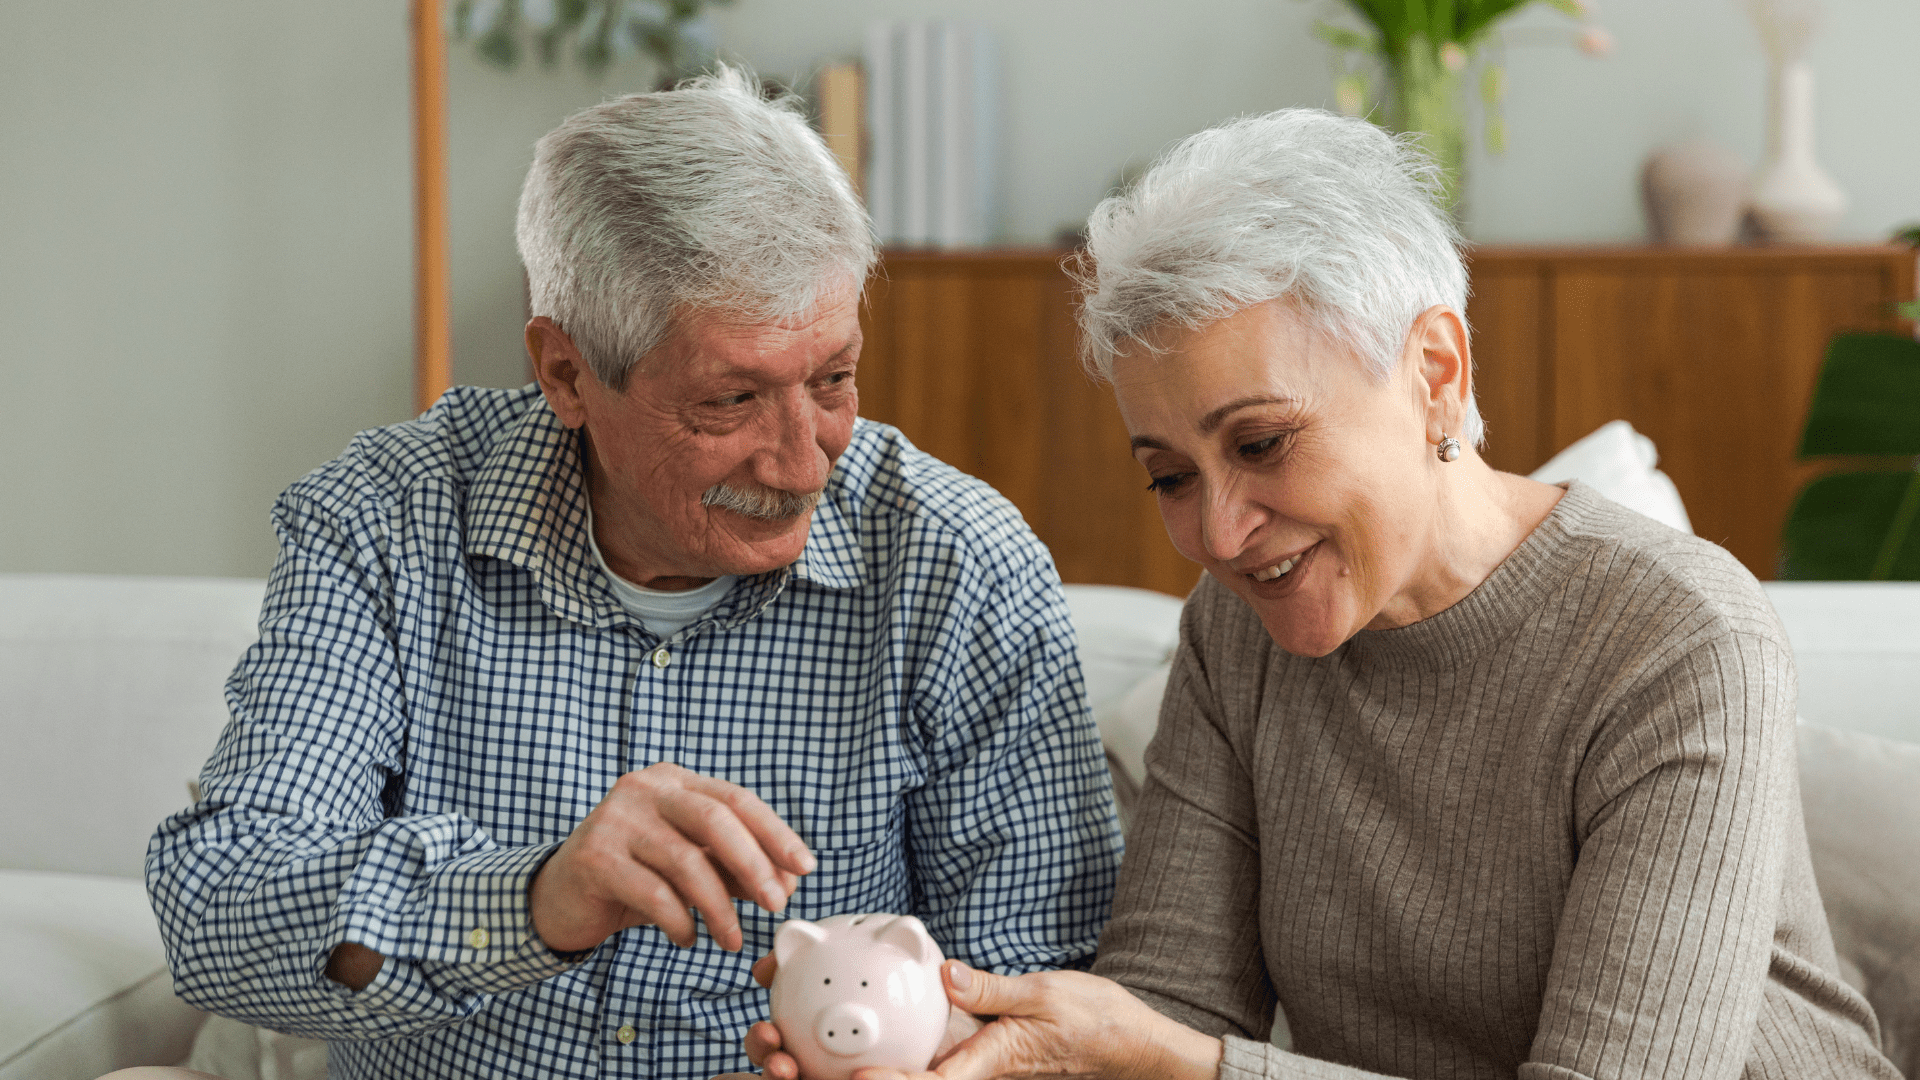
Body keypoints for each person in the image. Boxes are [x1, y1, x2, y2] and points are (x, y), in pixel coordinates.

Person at [743, 109, 1898, 1080]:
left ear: (1435, 373)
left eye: (1262, 442)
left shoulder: (1674, 640)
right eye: (1170, 476)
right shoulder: (1233, 640)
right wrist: (936, 1042)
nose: (1219, 531)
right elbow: (1168, 1014)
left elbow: (1181, 1057)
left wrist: (1182, 1062)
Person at [144, 67, 1121, 1080]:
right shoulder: (387, 521)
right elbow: (218, 907)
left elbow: (1043, 981)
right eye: (731, 400)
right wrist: (533, 900)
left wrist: (946, 1053)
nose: (802, 462)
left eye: (833, 379)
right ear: (566, 373)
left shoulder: (957, 562)